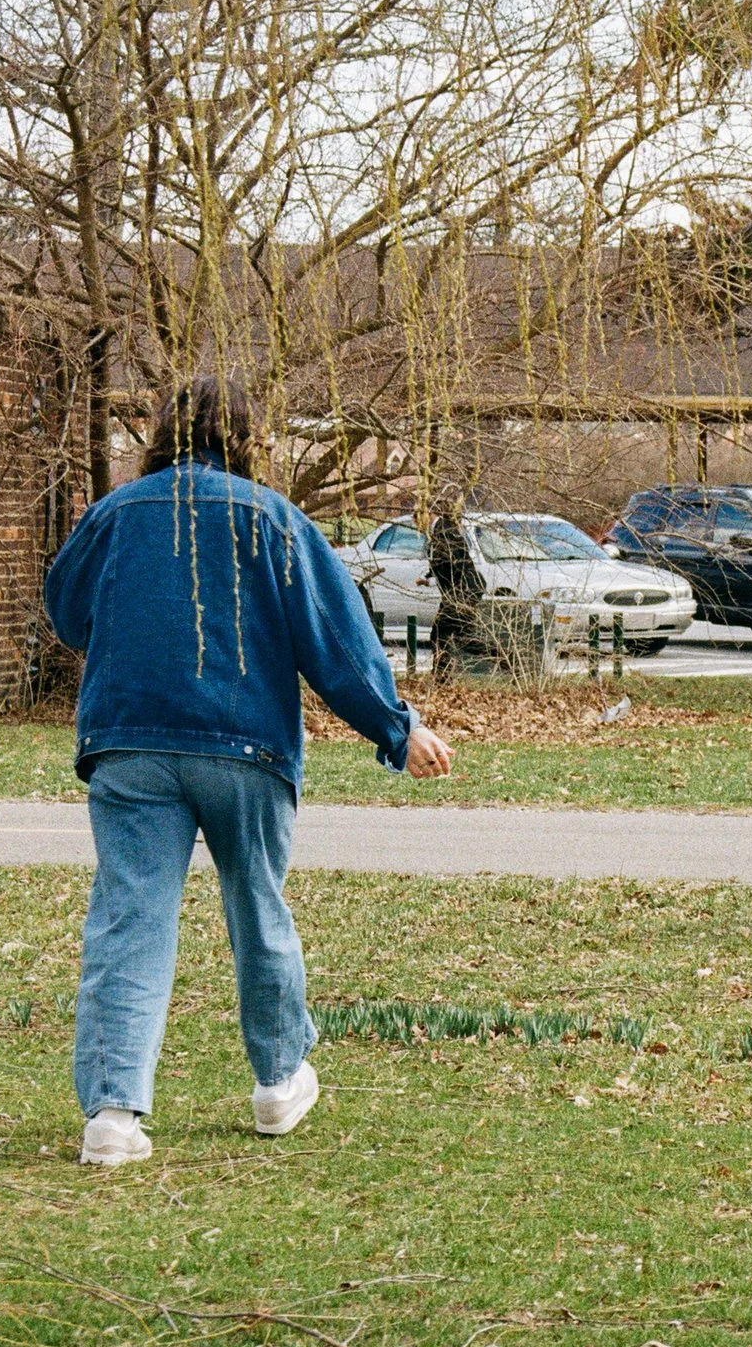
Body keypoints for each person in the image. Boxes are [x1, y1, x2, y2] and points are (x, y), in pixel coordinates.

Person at [44, 379, 454, 1167]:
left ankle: (112, 1114)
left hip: (131, 745)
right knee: (257, 907)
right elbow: (334, 641)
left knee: (131, 919)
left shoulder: (117, 513)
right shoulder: (270, 517)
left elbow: (66, 609)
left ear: (165, 434)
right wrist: (397, 731)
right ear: (245, 437)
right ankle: (275, 1082)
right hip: (245, 748)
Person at [427, 498, 487, 681]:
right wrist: (428, 577)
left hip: (463, 591)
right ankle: (509, 659)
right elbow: (446, 561)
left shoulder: (444, 532)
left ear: (429, 514)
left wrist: (431, 580)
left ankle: (441, 678)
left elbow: (449, 564)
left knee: (440, 634)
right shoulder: (443, 530)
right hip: (462, 590)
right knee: (463, 639)